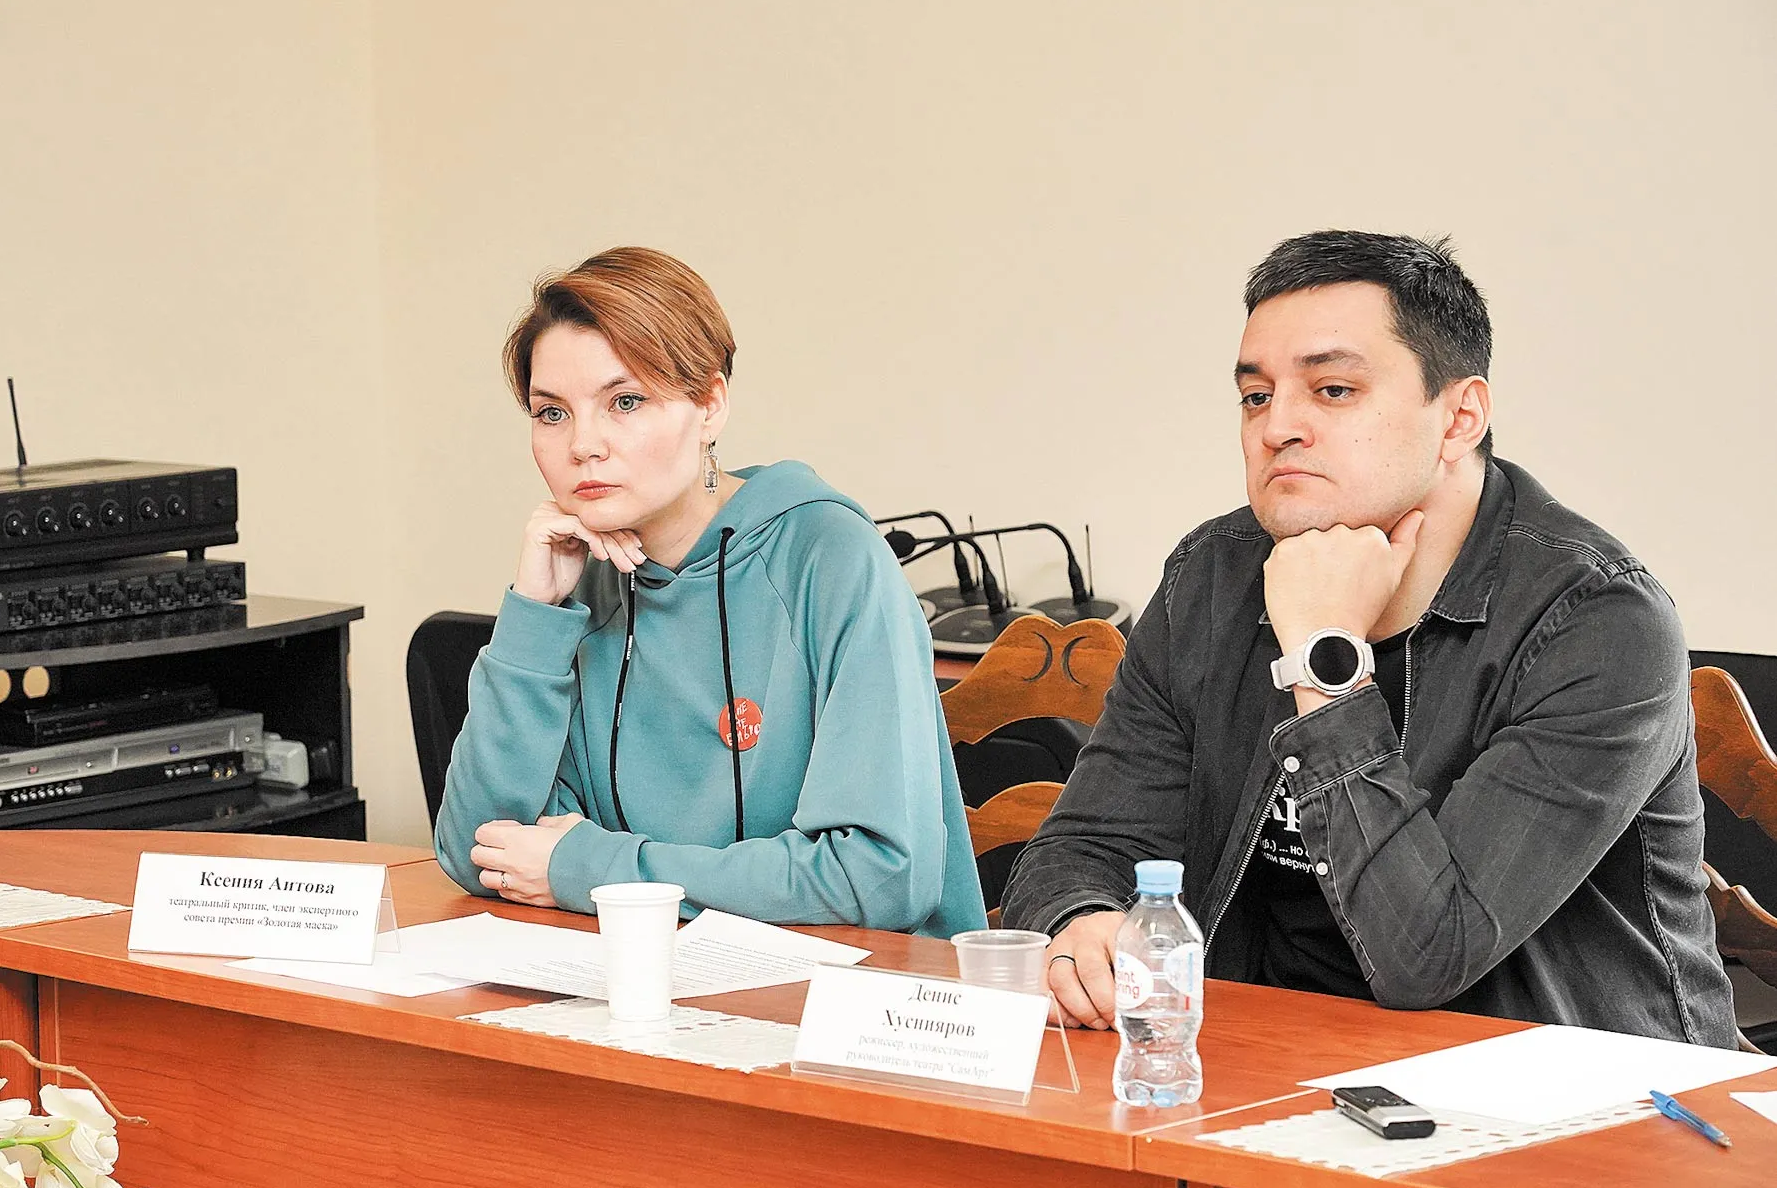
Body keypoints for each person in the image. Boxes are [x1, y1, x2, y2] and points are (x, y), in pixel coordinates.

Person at [1004, 230, 1734, 1045]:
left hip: (1575, 1086)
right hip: (1277, 1060)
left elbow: (1428, 955)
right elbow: (1083, 845)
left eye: (1334, 390)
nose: (1277, 426)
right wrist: (1084, 922)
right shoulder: (1213, 576)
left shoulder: (1600, 620)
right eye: (1256, 396)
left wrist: (1324, 656)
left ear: (1460, 418)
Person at [433, 246, 985, 937]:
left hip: (848, 988)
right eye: (551, 413)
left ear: (710, 406)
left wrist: (593, 869)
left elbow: (880, 877)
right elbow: (479, 852)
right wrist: (534, 615)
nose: (583, 445)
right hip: (644, 977)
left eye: (625, 401)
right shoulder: (582, 575)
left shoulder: (830, 557)